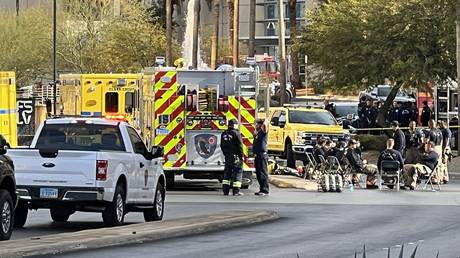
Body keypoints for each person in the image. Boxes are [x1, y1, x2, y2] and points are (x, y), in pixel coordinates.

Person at [220, 119, 244, 196]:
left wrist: (226, 154)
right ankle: (236, 191)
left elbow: (222, 145)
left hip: (228, 156)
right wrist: (241, 156)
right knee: (237, 172)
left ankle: (225, 191)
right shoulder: (236, 133)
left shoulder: (224, 134)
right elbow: (240, 146)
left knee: (227, 173)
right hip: (236, 156)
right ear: (235, 125)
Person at [253, 119, 269, 196]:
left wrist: (265, 120)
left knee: (263, 173)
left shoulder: (263, 132)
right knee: (259, 174)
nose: (256, 125)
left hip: (262, 155)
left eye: (258, 124)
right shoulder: (258, 133)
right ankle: (261, 189)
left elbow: (265, 125)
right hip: (257, 155)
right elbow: (254, 132)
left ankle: (265, 190)